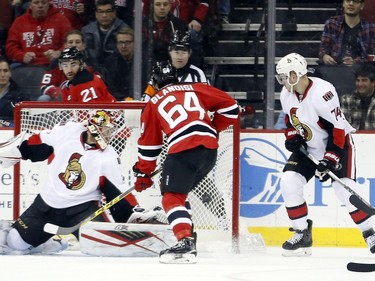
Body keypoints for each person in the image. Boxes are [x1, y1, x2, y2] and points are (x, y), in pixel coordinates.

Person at [0, 110, 165, 255]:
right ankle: (52, 245)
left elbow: (118, 193)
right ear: (94, 127)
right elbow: (37, 142)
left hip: (83, 211)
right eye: (106, 130)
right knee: (16, 242)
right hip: (46, 205)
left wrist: (132, 214)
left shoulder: (109, 157)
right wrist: (17, 150)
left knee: (104, 247)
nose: (109, 136)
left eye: (111, 132)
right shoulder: (67, 132)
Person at [132, 60, 239, 263]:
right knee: (180, 195)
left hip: (183, 149)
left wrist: (143, 173)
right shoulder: (197, 88)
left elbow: (149, 146)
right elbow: (232, 108)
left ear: (154, 82)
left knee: (171, 196)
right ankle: (189, 234)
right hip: (209, 151)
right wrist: (212, 129)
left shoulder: (153, 103)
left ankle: (185, 242)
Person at [275, 52, 375, 257]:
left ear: (297, 74)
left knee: (343, 189)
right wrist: (293, 136)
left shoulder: (323, 91)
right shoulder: (286, 94)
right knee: (288, 181)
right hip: (308, 147)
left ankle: (370, 233)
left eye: (286, 76)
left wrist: (330, 158)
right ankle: (302, 233)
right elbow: (291, 120)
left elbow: (337, 129)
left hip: (338, 145)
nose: (283, 81)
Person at [6, 0, 72, 67]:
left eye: (44, 3)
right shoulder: (19, 22)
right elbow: (10, 47)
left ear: (49, 5)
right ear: (30, 5)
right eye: (36, 3)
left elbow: (71, 42)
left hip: (54, 64)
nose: (40, 6)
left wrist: (59, 53)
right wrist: (22, 56)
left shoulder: (61, 20)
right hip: (26, 66)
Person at [39, 29, 95, 101]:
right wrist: (58, 93)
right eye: (70, 42)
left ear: (83, 45)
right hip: (60, 100)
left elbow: (97, 84)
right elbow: (44, 85)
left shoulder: (91, 63)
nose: (74, 45)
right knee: (44, 99)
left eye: (77, 42)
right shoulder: (56, 63)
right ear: (65, 45)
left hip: (85, 98)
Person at [319, 0, 375, 66]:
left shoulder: (370, 28)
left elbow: (370, 56)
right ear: (343, 3)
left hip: (359, 70)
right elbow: (323, 49)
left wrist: (355, 61)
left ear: (362, 6)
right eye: (348, 0)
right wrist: (325, 56)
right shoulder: (332, 23)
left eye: (356, 1)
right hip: (334, 67)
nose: (351, 4)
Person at [82, 0, 130, 72]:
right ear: (96, 14)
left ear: (114, 13)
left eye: (108, 11)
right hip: (92, 73)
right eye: (101, 11)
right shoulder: (86, 31)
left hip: (118, 72)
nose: (104, 15)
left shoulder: (124, 30)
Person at [142, 0, 188, 73]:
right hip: (147, 68)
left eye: (165, 4)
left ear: (169, 6)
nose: (162, 7)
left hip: (173, 68)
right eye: (158, 4)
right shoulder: (142, 25)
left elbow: (183, 50)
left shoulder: (179, 25)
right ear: (152, 6)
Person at [102, 27, 137, 101]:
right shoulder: (109, 63)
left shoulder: (145, 60)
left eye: (127, 42)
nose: (123, 46)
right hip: (117, 102)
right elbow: (108, 87)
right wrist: (124, 99)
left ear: (134, 43)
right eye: (120, 42)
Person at [341, 62, 375, 130]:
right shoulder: (347, 99)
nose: (360, 84)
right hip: (353, 138)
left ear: (373, 83)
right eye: (358, 80)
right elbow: (343, 125)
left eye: (364, 80)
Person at [0, 57, 28, 127]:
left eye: (5, 71)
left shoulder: (21, 96)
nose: (2, 75)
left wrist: (4, 125)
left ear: (10, 73)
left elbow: (26, 122)